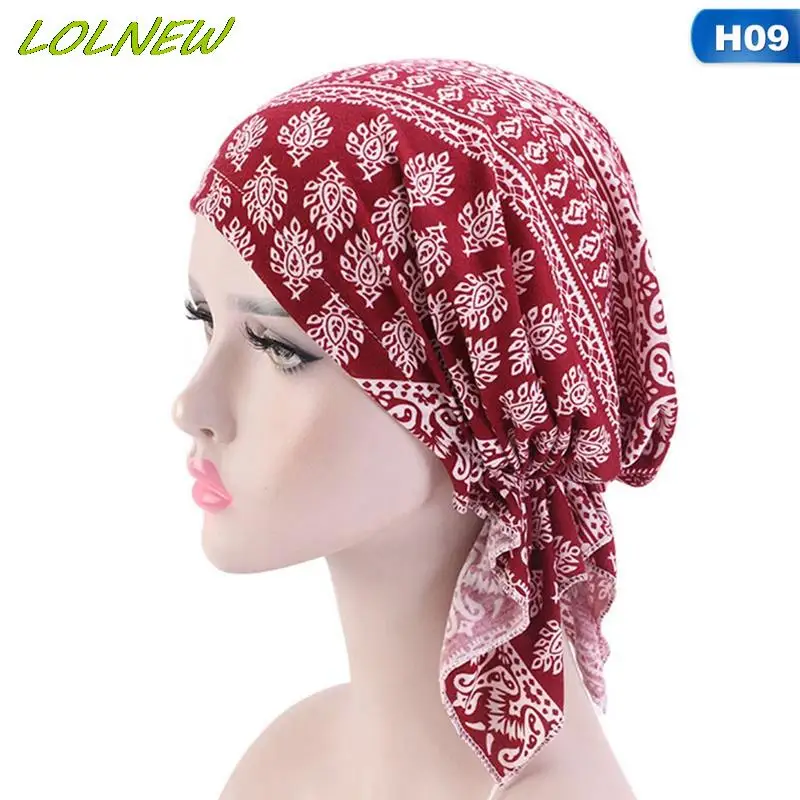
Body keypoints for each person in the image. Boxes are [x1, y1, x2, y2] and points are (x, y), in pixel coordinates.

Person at [171, 57, 679, 800]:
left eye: (280, 349)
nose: (192, 407)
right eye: (202, 320)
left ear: (483, 394)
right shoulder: (283, 764)